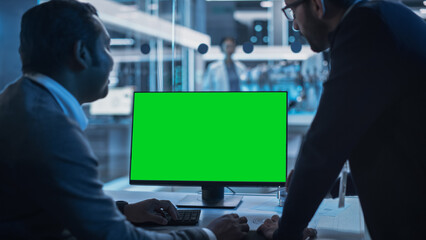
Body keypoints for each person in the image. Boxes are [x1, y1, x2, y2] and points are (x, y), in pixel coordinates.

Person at [0, 1, 249, 239]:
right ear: (82, 53)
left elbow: (54, 204)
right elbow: (115, 237)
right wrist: (210, 234)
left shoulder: (16, 101)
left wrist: (124, 210)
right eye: (107, 47)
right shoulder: (50, 129)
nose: (112, 60)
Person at [257, 0, 426, 239]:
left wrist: (284, 234)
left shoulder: (364, 28)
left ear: (317, 5)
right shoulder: (387, 15)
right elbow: (393, 143)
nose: (294, 24)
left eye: (293, 11)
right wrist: (333, 186)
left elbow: (323, 146)